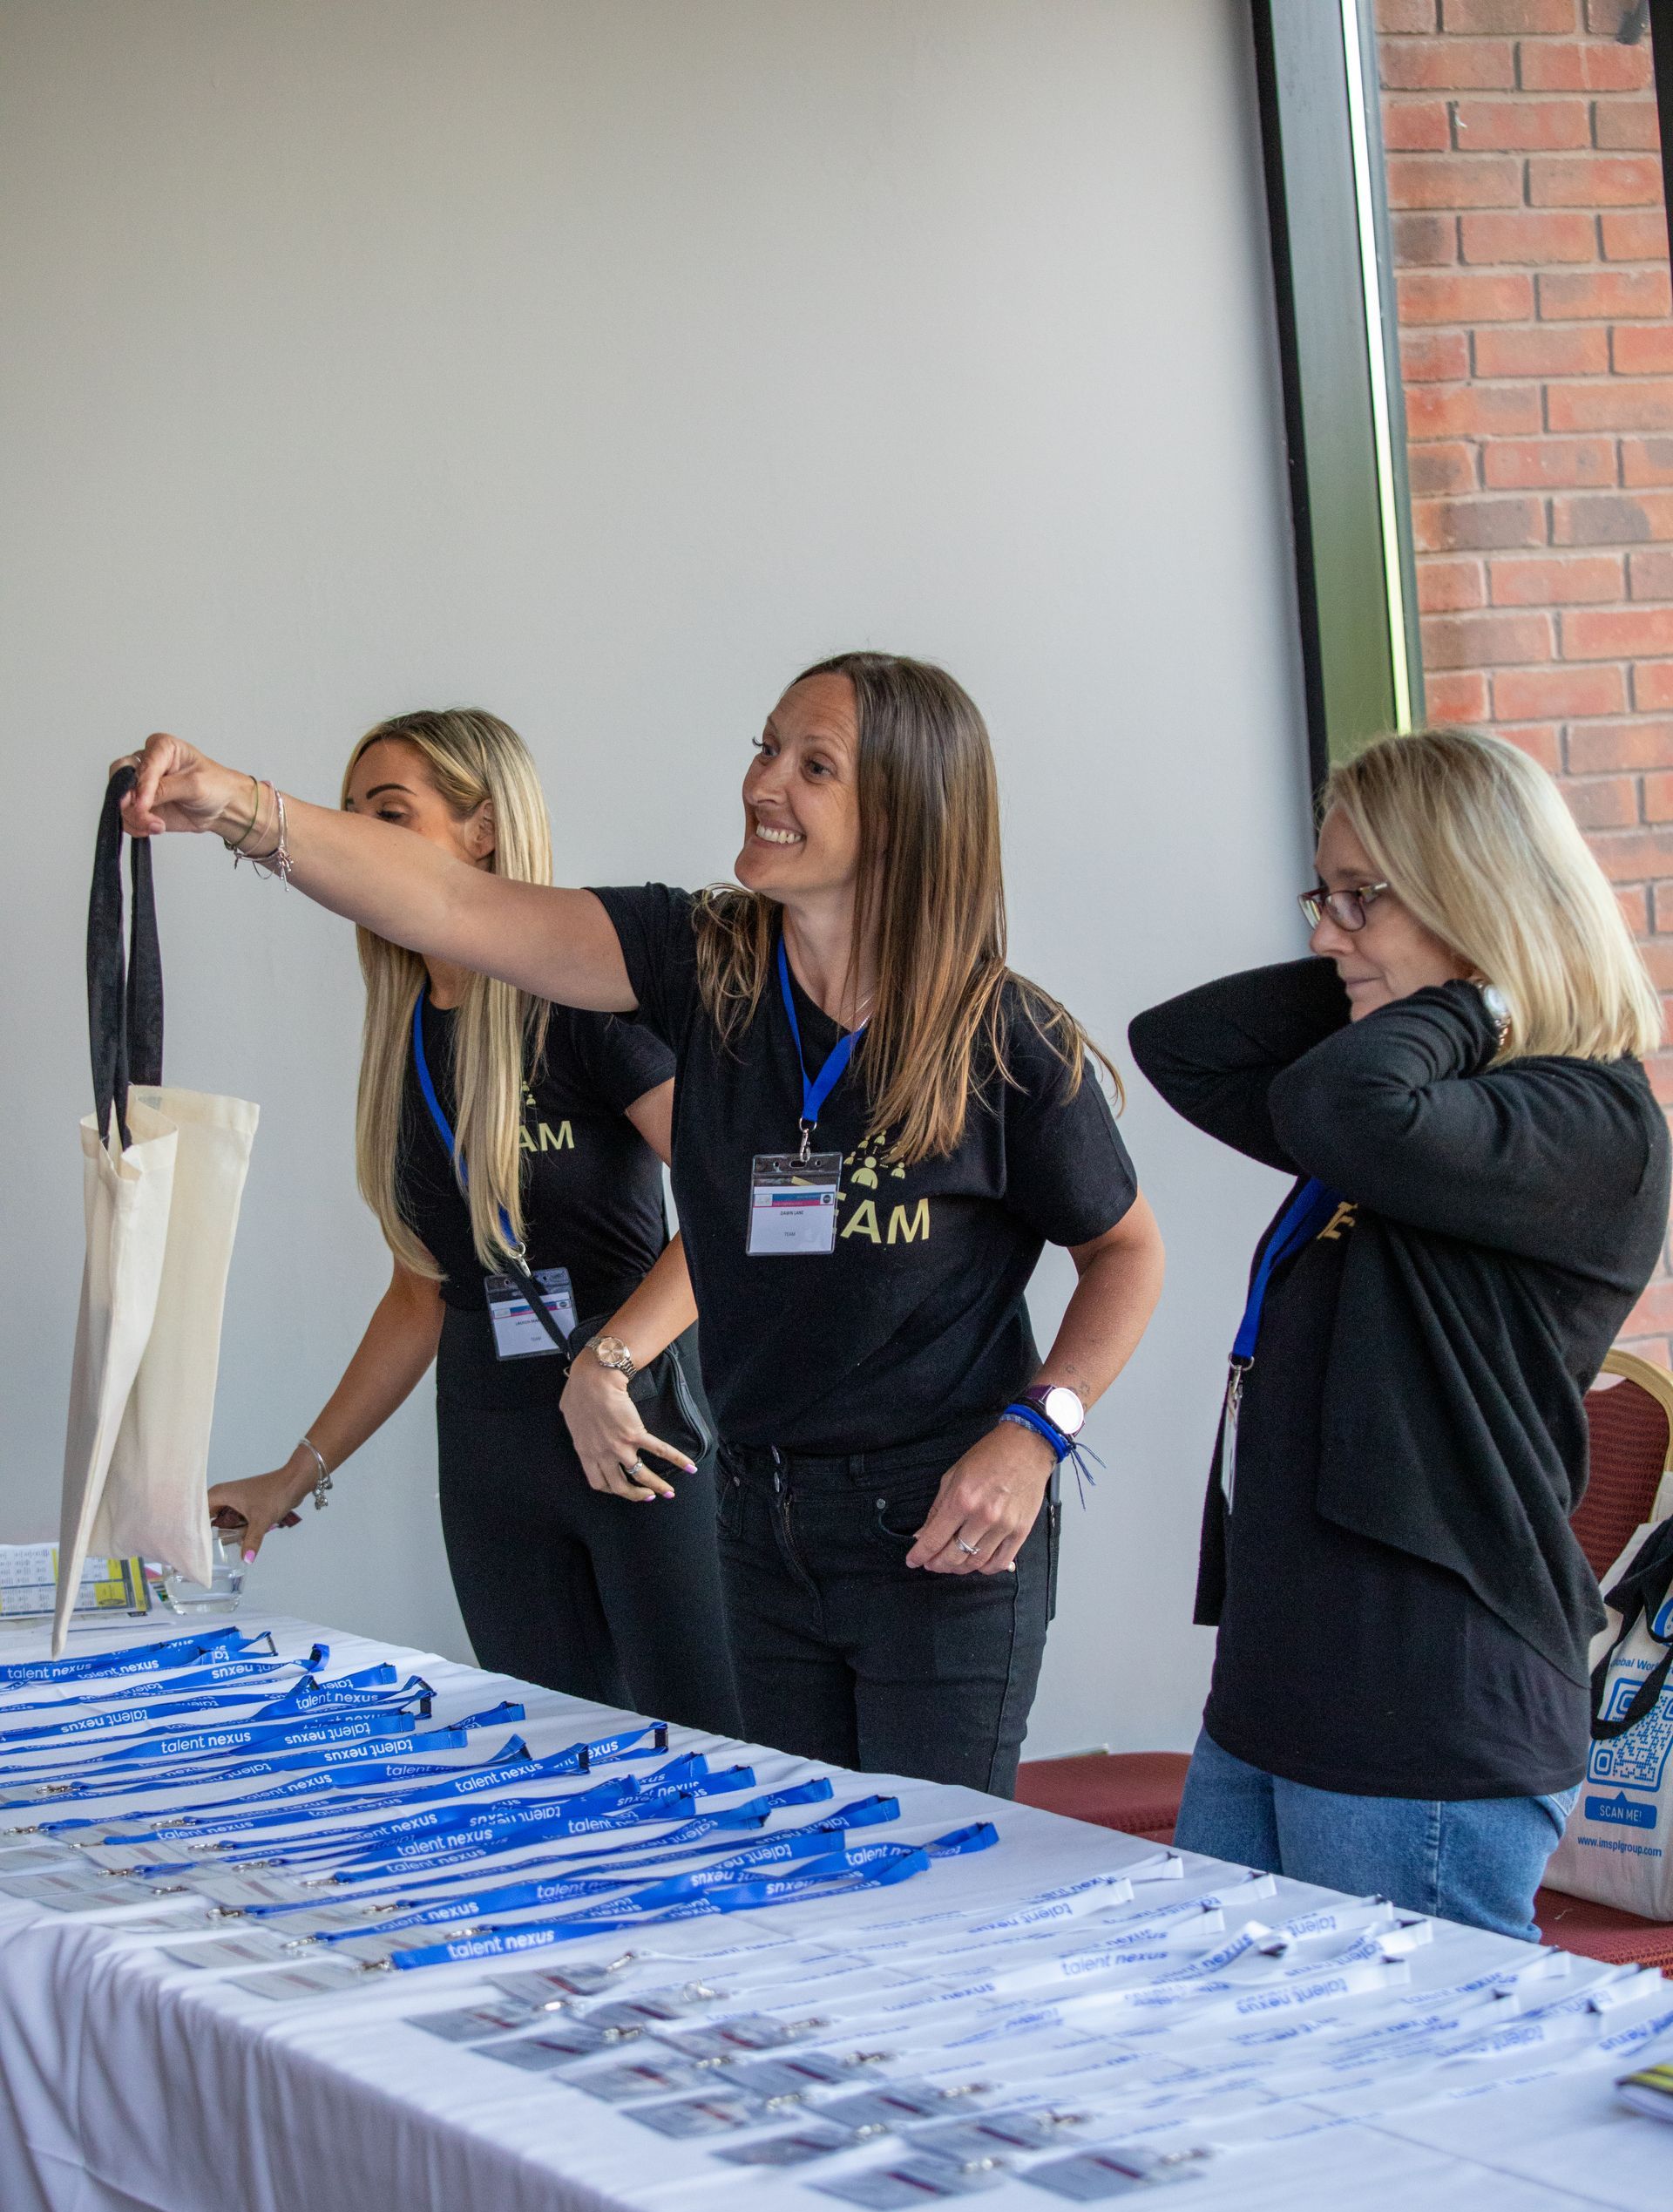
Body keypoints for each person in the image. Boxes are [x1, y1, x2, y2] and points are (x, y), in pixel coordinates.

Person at [118, 654, 1164, 1794]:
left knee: (926, 1880)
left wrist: (1036, 1434)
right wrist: (240, 807)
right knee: (786, 1850)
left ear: (907, 813)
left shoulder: (1002, 1036)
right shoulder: (701, 965)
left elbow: (1126, 1252)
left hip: (937, 1521)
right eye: (766, 748)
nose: (766, 783)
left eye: (814, 766)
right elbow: (456, 905)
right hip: (760, 1511)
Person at [1128, 726, 1670, 1940]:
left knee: (1408, 2113)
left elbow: (1330, 1096)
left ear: (1478, 895)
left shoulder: (1580, 1120)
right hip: (1283, 1688)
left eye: (1362, 897)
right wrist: (1419, 967)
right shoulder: (1416, 1108)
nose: (1326, 933)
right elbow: (1185, 1046)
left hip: (1421, 1707)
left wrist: (1484, 985)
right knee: (1240, 2083)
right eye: (1323, 894)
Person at [200, 708, 739, 1734]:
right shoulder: (402, 1041)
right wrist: (293, 1475)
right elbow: (424, 1290)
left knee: (709, 1759)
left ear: (482, 833)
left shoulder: (579, 1005)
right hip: (493, 1461)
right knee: (558, 1766)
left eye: (388, 814)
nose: (353, 837)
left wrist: (610, 1361)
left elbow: (733, 1206)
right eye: (346, 814)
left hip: (637, 1437)